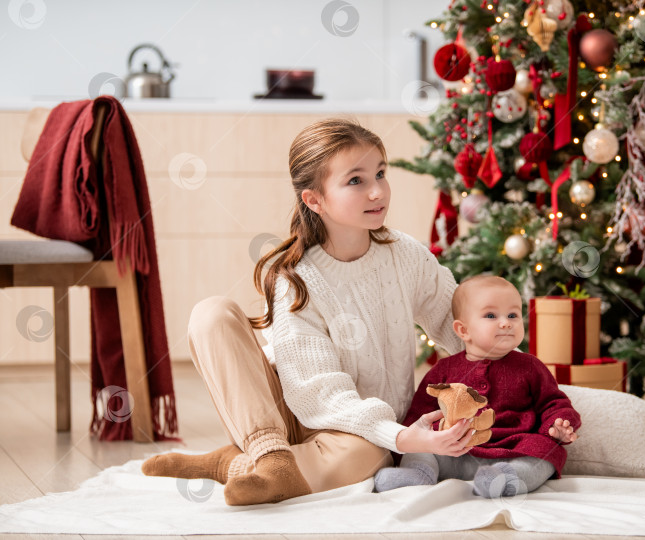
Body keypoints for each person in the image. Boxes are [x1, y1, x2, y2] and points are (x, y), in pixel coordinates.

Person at [141, 118, 477, 506]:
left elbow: (464, 328)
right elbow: (318, 393)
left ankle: (237, 466)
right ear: (314, 200)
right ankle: (267, 454)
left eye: (381, 174)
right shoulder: (297, 279)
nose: (377, 191)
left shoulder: (407, 256)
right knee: (210, 313)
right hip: (294, 413)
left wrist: (524, 385)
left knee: (370, 452)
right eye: (356, 181)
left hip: (355, 433)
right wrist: (402, 437)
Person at [374, 275, 581, 499]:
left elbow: (553, 402)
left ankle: (503, 479)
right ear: (463, 331)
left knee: (546, 450)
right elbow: (419, 416)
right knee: (423, 445)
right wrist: (417, 441)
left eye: (513, 315)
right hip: (452, 452)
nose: (506, 322)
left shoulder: (530, 366)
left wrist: (558, 425)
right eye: (491, 315)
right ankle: (418, 474)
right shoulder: (444, 370)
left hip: (512, 450)